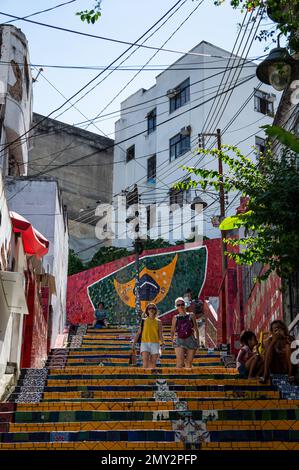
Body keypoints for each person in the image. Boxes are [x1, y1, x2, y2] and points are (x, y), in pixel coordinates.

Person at [131, 303, 164, 369]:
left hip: (155, 343)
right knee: (145, 362)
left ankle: (151, 378)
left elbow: (160, 334)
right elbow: (138, 333)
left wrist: (162, 343)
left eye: (153, 308)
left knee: (153, 364)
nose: (151, 310)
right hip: (144, 343)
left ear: (155, 310)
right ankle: (145, 378)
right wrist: (134, 343)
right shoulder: (143, 321)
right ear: (147, 311)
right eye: (150, 308)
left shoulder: (159, 322)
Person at [171, 297, 199, 368]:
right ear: (176, 307)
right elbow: (172, 330)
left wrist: (198, 340)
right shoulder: (175, 318)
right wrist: (172, 340)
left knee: (188, 363)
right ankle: (176, 378)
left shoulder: (191, 315)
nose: (180, 306)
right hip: (179, 340)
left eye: (182, 304)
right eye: (178, 305)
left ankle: (188, 378)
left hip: (191, 339)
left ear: (185, 305)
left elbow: (196, 328)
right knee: (180, 362)